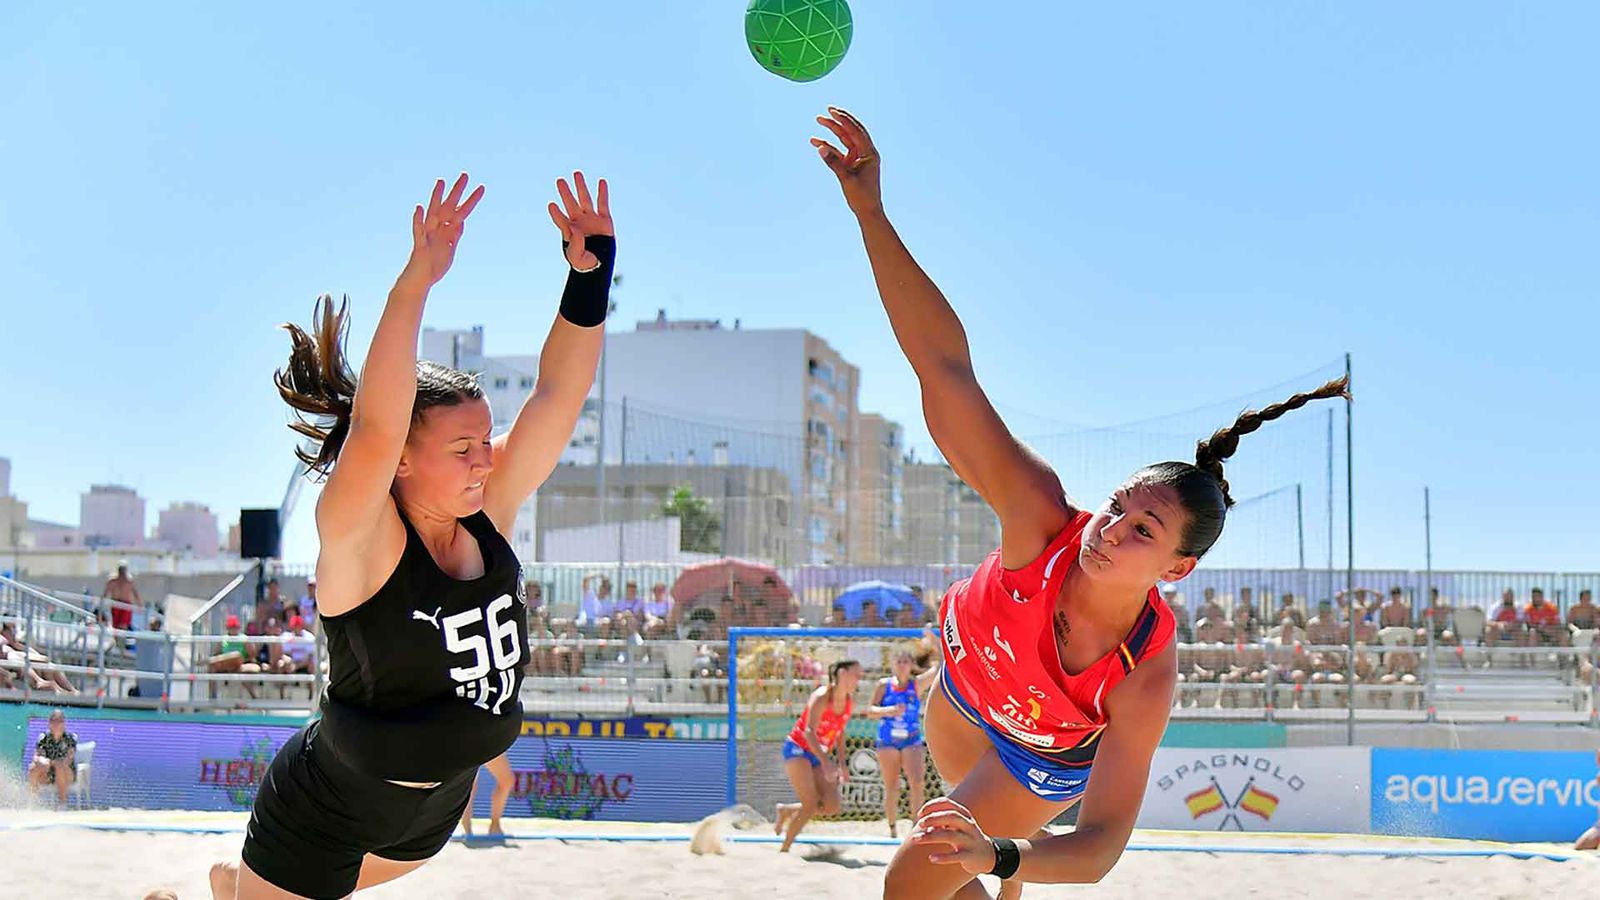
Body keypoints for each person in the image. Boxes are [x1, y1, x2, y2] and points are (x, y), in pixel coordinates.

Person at [810, 106, 1350, 898]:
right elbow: (943, 367)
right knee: (954, 874)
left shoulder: (1145, 671)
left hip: (1041, 755)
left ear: (1179, 567)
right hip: (958, 697)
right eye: (1117, 506)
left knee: (919, 878)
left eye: (1144, 528)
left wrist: (1004, 856)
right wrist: (871, 214)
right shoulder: (1039, 516)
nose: (1110, 529)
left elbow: (1097, 849)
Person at [204, 171, 614, 900]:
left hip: (432, 816)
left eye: (486, 440)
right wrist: (415, 284)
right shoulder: (362, 535)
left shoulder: (490, 510)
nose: (486, 459)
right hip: (324, 811)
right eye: (462, 449)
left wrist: (589, 277)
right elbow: (375, 424)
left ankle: (234, 886)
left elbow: (559, 392)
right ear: (401, 459)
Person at [774, 659, 901, 852]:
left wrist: (842, 763)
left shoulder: (848, 701)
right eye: (856, 674)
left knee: (831, 806)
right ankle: (784, 849)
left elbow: (840, 732)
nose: (859, 679)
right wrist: (826, 762)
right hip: (798, 748)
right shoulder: (822, 696)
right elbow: (809, 731)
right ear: (842, 674)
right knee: (810, 804)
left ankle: (787, 811)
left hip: (819, 752)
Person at [874, 651, 943, 837]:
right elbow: (870, 710)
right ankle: (892, 827)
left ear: (912, 665)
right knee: (892, 785)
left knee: (917, 782)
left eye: (906, 661)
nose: (902, 664)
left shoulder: (916, 685)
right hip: (888, 739)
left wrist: (934, 642)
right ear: (893, 664)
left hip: (911, 738)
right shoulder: (884, 685)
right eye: (899, 661)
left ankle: (915, 826)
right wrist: (889, 711)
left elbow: (939, 668)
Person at [458, 752, 515, 839]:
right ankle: (467, 827)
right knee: (470, 783)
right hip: (467, 742)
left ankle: (495, 825)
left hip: (486, 741)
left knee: (506, 781)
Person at [28, 708, 77, 804]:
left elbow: (69, 759)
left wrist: (52, 763)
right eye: (53, 721)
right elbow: (36, 756)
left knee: (60, 766)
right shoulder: (44, 738)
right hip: (48, 773)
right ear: (49, 723)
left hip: (66, 773)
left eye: (59, 721)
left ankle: (63, 803)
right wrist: (43, 761)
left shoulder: (69, 738)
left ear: (63, 723)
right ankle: (33, 802)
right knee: (33, 768)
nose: (56, 724)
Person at [101, 561, 142, 631]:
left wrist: (140, 605)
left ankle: (121, 641)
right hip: (116, 604)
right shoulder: (112, 581)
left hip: (126, 606)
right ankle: (117, 640)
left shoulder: (129, 582)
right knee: (116, 626)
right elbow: (105, 594)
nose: (122, 572)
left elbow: (136, 594)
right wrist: (101, 605)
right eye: (121, 570)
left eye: (123, 570)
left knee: (123, 626)